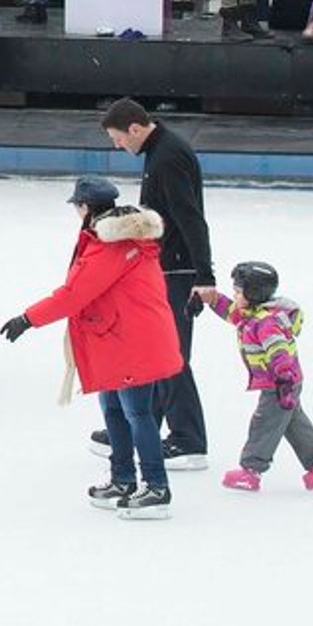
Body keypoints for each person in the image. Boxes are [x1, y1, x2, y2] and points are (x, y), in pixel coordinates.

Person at [0, 177, 184, 518]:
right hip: (116, 339)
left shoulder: (111, 246)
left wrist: (27, 319)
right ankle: (123, 478)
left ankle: (157, 487)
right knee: (113, 408)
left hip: (133, 342)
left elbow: (74, 294)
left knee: (137, 414)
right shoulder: (114, 238)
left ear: (84, 207)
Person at [99, 99, 212, 467]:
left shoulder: (167, 158)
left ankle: (188, 438)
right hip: (167, 266)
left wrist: (204, 275)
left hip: (178, 270)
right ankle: (147, 422)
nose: (118, 147)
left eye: (118, 138)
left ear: (134, 128)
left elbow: (190, 217)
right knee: (159, 350)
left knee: (171, 354)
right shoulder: (160, 151)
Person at [192, 260, 313, 494]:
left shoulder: (267, 323)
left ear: (253, 294)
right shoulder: (252, 314)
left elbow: (280, 353)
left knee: (264, 424)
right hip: (283, 382)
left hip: (280, 382)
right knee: (292, 423)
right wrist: (212, 299)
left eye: (238, 292)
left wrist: (284, 379)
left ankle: (251, 471)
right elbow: (233, 313)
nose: (235, 296)